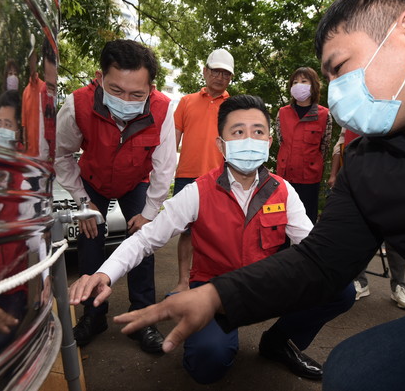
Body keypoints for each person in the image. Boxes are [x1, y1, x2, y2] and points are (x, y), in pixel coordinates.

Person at [113, 0, 405, 390]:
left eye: (339, 68)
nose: (338, 92)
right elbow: (321, 260)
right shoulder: (367, 162)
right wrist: (215, 295)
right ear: (223, 144)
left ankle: (277, 341)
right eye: (328, 79)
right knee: (346, 371)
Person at [69, 95, 355, 383]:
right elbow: (146, 240)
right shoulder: (197, 191)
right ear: (221, 144)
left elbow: (310, 246)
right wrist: (105, 273)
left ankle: (279, 341)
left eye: (257, 131)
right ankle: (207, 336)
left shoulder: (284, 190)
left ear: (269, 142)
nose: (249, 139)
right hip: (214, 294)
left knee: (339, 288)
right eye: (238, 132)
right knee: (208, 363)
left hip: (267, 287)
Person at [55, 39, 177, 352]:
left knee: (142, 243)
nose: (126, 100)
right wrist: (84, 202)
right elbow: (61, 155)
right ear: (99, 78)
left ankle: (143, 319)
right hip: (92, 181)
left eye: (136, 94)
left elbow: (164, 168)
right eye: (116, 90)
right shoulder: (77, 105)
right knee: (90, 244)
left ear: (151, 87)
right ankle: (93, 317)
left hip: (135, 182)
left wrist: (149, 213)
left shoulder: (163, 110)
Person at [170, 48, 234, 294]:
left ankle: (214, 283)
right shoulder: (186, 101)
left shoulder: (233, 106)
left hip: (221, 176)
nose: (220, 77)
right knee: (186, 232)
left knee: (219, 233)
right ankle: (183, 281)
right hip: (187, 174)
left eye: (226, 74)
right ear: (205, 71)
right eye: (216, 71)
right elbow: (173, 140)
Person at [329, 128, 405, 309]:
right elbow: (340, 145)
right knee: (357, 234)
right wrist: (334, 174)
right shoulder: (354, 113)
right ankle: (360, 282)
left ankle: (399, 285)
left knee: (395, 232)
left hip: (395, 175)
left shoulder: (400, 109)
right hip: (359, 175)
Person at [276, 67, 331, 224]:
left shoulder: (324, 114)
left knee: (307, 220)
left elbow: (324, 146)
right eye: (295, 82)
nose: (299, 85)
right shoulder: (282, 113)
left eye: (304, 81)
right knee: (283, 219)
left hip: (310, 178)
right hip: (285, 177)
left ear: (313, 86)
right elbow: (282, 141)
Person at [22, 37, 57, 164]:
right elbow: (24, 126)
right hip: (31, 158)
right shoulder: (26, 92)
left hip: (46, 159)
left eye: (33, 57)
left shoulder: (44, 89)